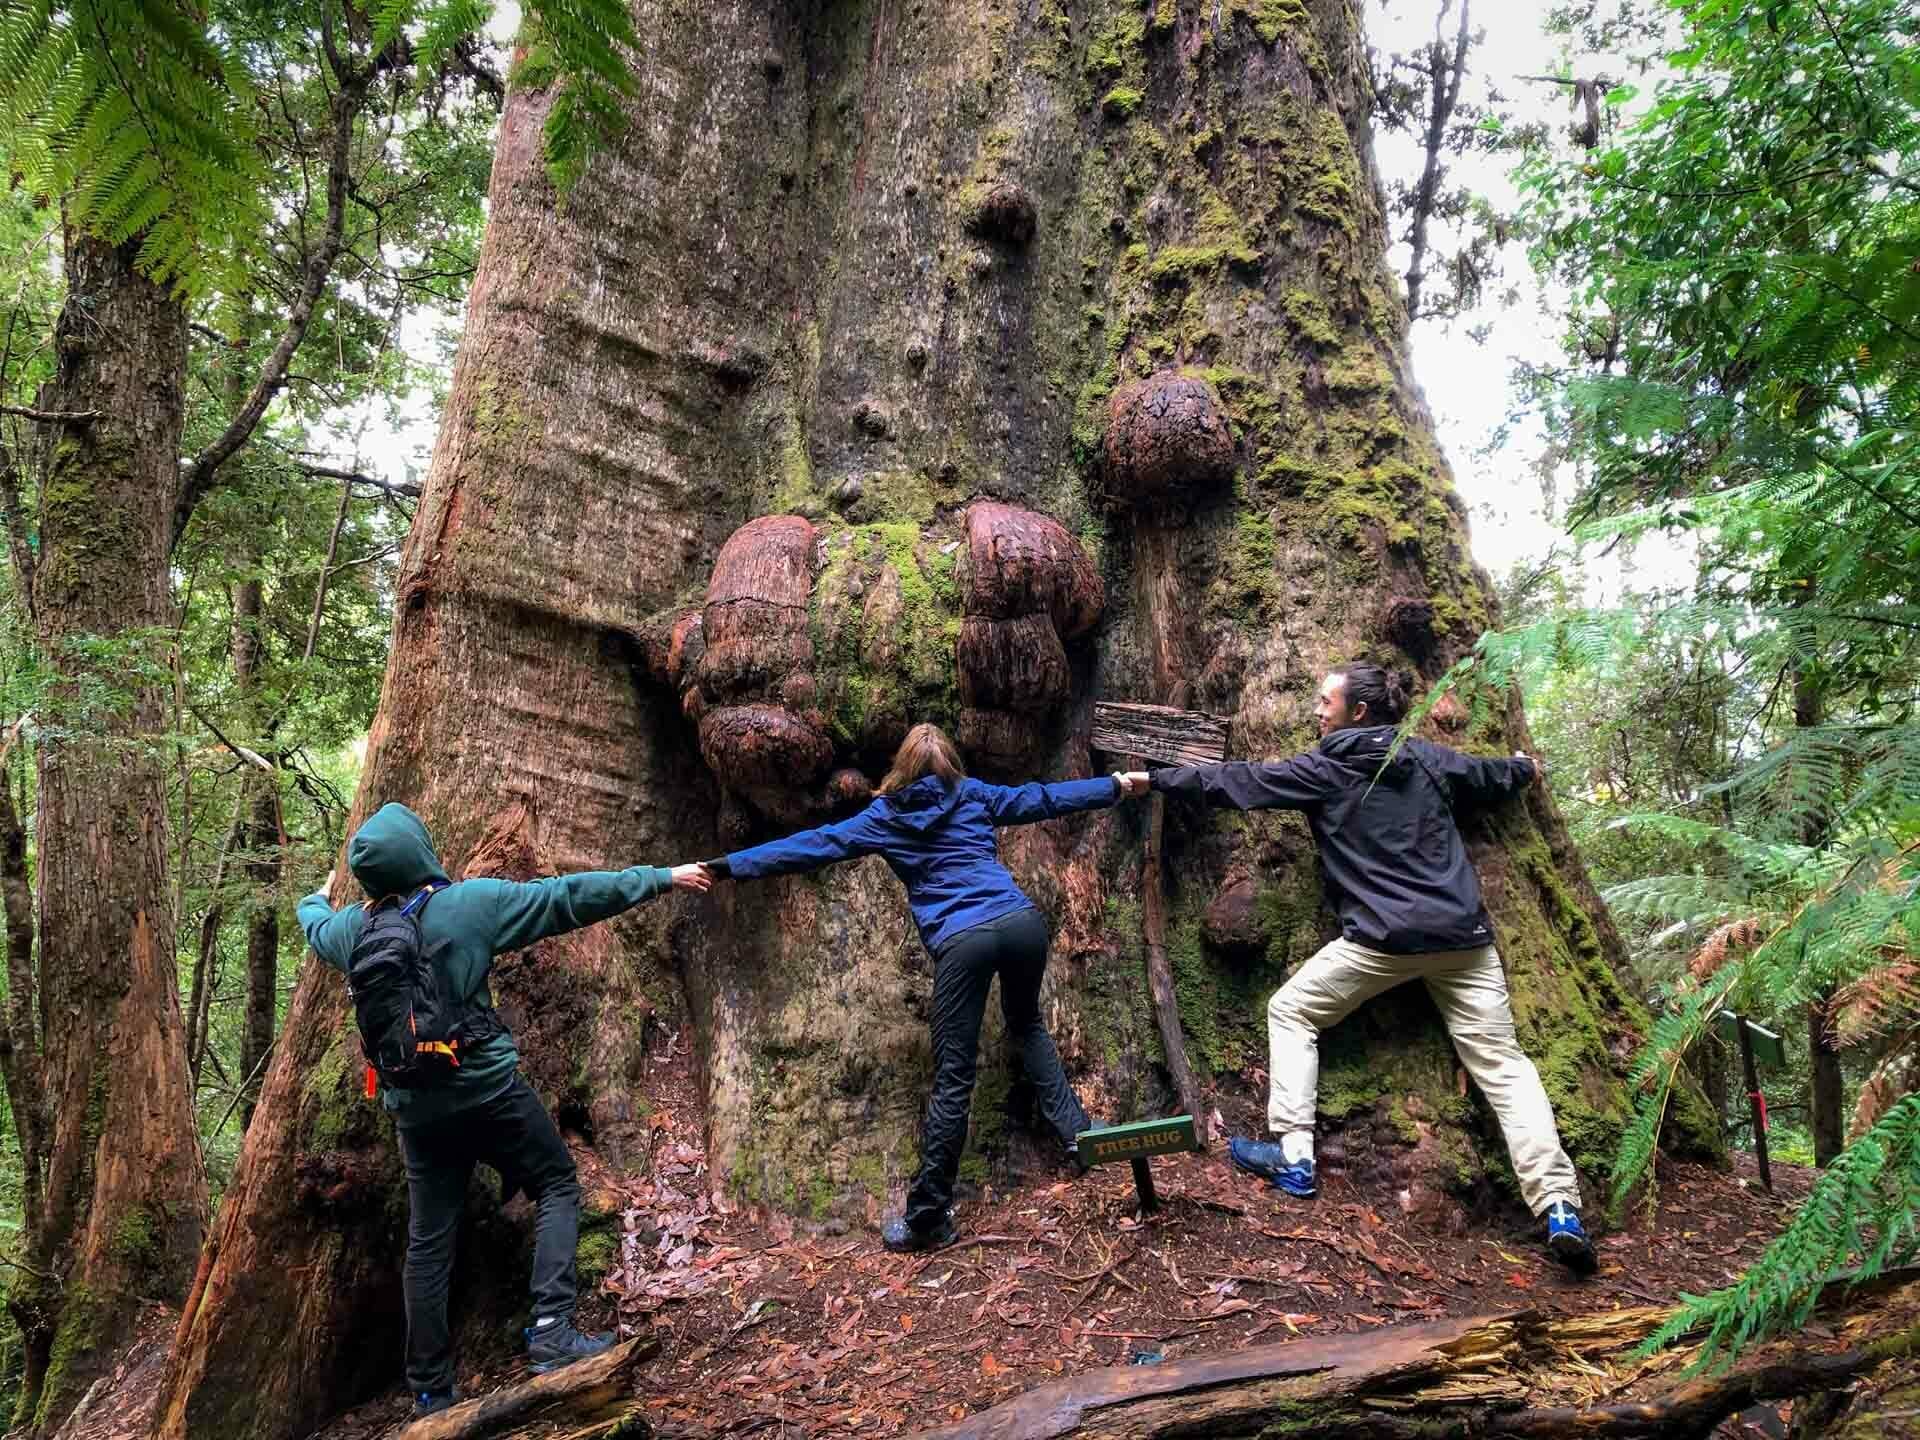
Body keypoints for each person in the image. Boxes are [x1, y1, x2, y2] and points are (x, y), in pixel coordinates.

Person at [1120, 664, 1596, 1273]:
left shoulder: (1326, 769)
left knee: (1290, 1011)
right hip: (1463, 939)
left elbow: (1238, 782)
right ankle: (1558, 1205)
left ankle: (1295, 1155)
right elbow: (1487, 775)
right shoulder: (1425, 757)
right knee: (1504, 1067)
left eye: (1326, 702)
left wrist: (1156, 780)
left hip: (1383, 942)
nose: (1316, 711)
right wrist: (1525, 768)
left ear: (1360, 712)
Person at [299, 802, 712, 1418]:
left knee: (429, 1241)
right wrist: (662, 876)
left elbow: (313, 923)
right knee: (555, 1183)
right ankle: (551, 1332)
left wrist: (316, 895)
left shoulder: (352, 932)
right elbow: (568, 897)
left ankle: (431, 1391)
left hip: (414, 1110)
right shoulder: (471, 904)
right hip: (490, 1091)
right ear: (420, 852)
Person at [695, 724, 1138, 1253]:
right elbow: (1040, 798)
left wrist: (725, 867)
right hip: (1021, 923)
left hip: (963, 940)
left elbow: (812, 845)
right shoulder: (970, 794)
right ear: (950, 764)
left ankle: (928, 1215)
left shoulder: (886, 816)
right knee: (1027, 1023)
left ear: (900, 768)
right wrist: (1112, 785)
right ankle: (1079, 1136)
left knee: (955, 1074)